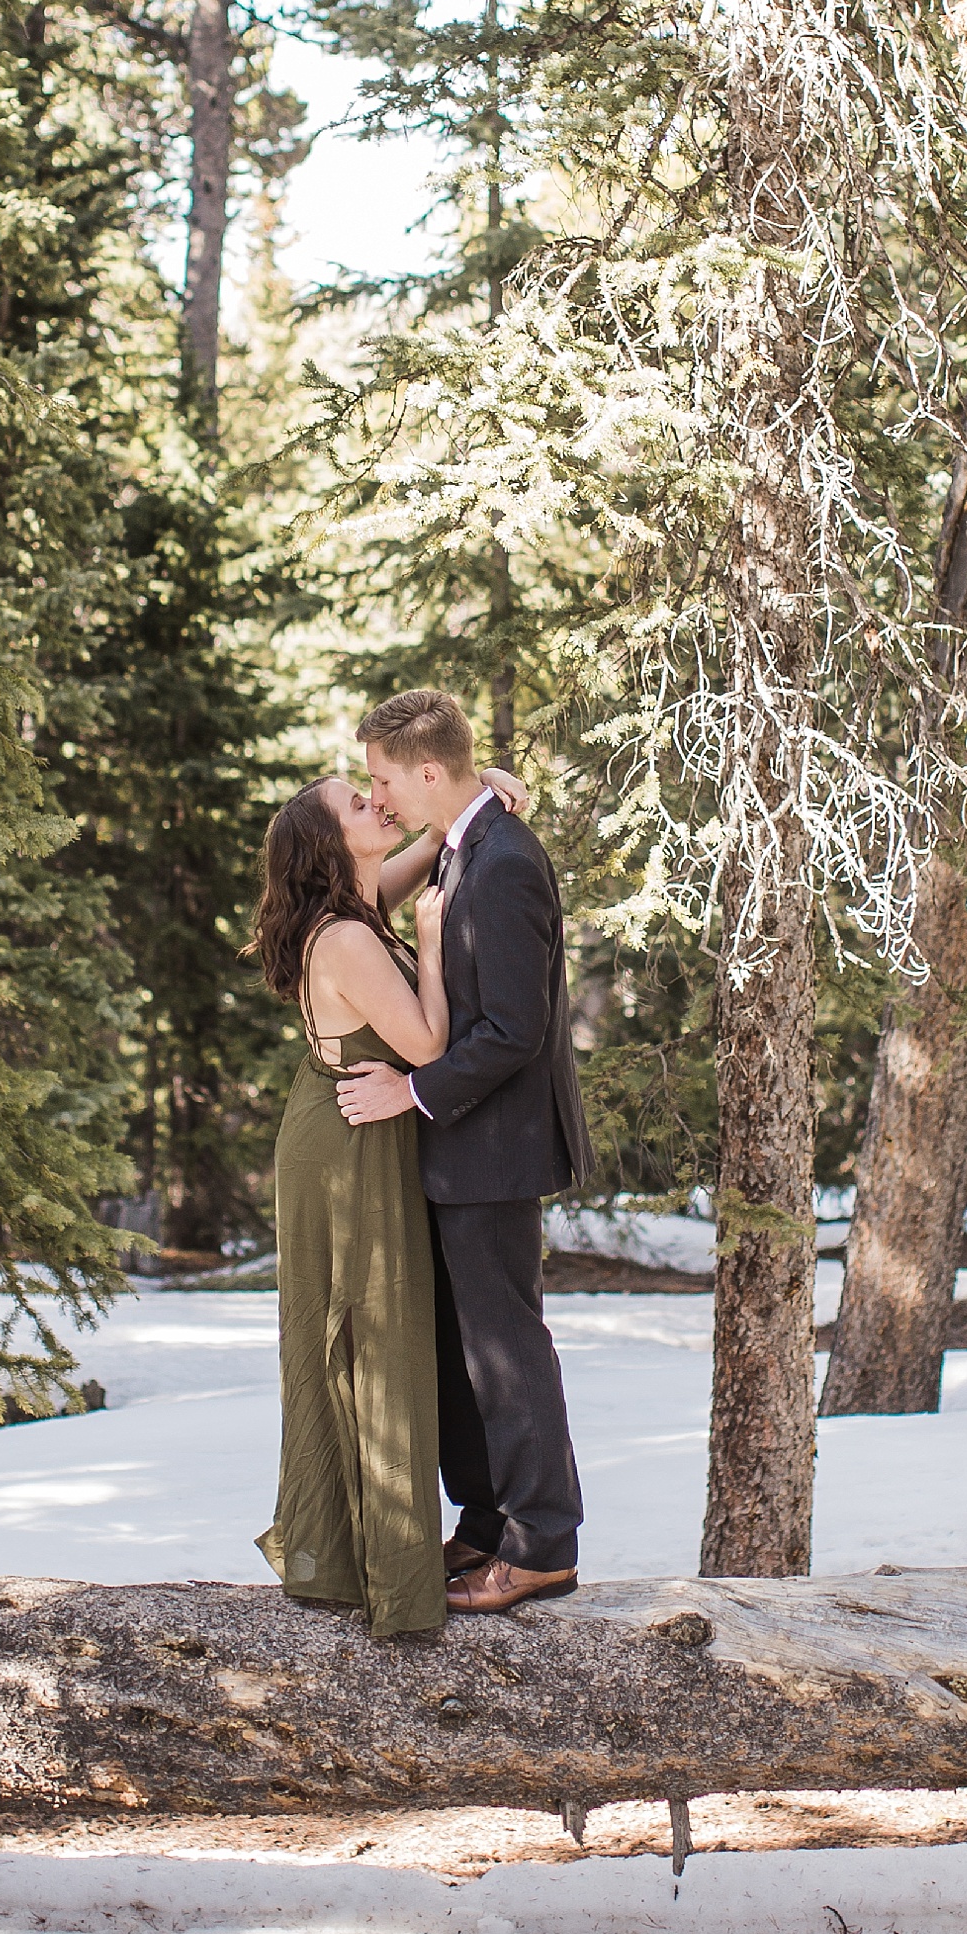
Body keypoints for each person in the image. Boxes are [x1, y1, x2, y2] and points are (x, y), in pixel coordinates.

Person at [248, 763, 526, 1636]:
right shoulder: (348, 939)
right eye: (356, 803)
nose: (376, 804)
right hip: (349, 1143)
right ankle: (374, 1567)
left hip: (350, 1123)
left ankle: (361, 1549)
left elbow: (433, 838)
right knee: (368, 1330)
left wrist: (478, 787)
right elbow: (430, 1039)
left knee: (374, 1329)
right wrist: (434, 946)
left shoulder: (358, 899)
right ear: (331, 846)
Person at [337, 690, 595, 1614]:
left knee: (506, 1349)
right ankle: (484, 1523)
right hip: (461, 1149)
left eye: (384, 777)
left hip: (496, 1149)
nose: (379, 794)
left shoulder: (505, 865)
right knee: (464, 1349)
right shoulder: (464, 840)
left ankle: (541, 1545)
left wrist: (409, 1091)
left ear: (431, 773)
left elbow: (515, 1031)